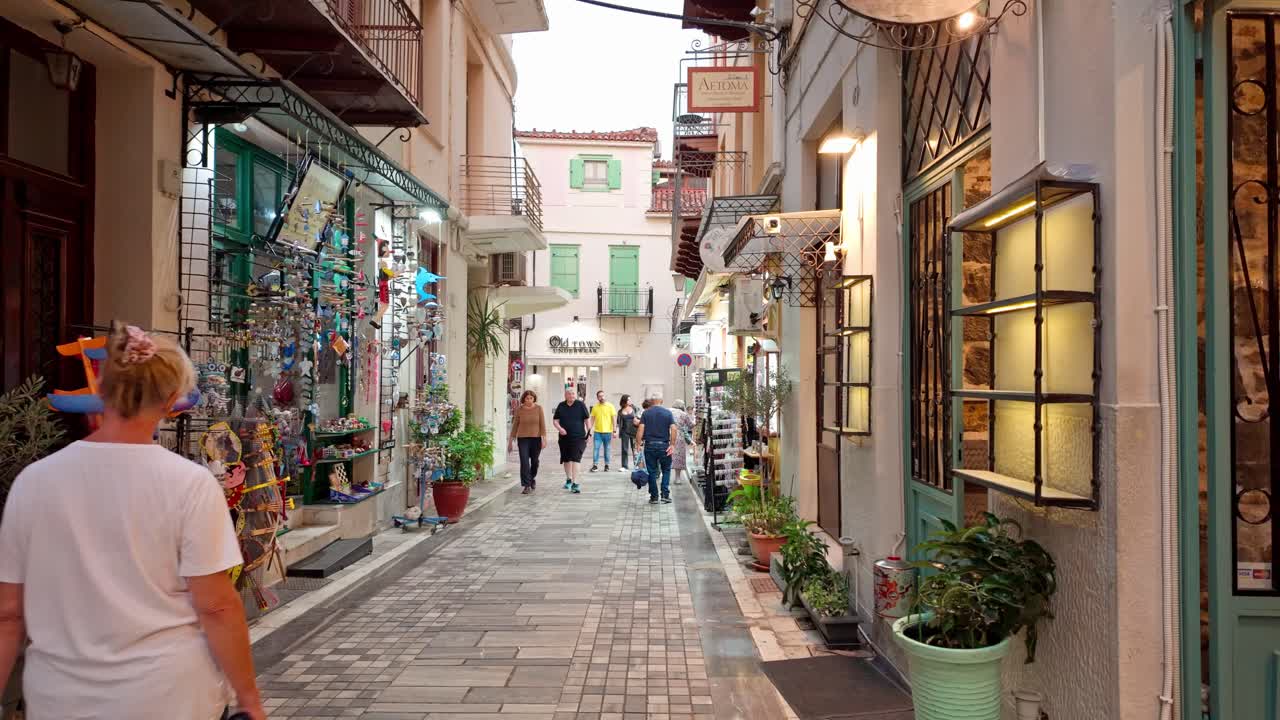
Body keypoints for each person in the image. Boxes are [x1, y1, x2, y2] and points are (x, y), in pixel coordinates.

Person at [0, 323, 265, 720]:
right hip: (168, 693)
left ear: (100, 389)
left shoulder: (34, 482)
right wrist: (249, 697)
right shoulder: (190, 484)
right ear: (172, 399)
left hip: (62, 696)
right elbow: (216, 607)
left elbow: (9, 612)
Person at [637, 393, 678, 505]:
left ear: (651, 401)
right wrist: (672, 444)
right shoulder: (667, 413)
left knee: (651, 471)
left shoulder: (646, 413)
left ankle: (654, 497)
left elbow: (640, 429)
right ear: (662, 401)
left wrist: (638, 444)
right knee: (666, 469)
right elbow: (674, 429)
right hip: (664, 445)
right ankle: (665, 495)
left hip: (649, 445)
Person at [552, 387, 591, 494]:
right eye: (569, 394)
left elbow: (587, 419)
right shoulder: (561, 405)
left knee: (576, 458)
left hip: (578, 437)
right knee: (566, 459)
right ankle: (569, 479)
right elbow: (555, 420)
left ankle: (575, 483)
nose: (571, 396)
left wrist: (589, 433)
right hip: (564, 438)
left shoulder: (580, 405)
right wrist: (560, 429)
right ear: (565, 395)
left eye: (573, 394)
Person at [508, 390, 547, 494]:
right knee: (524, 462)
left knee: (535, 462)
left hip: (536, 438)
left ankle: (532, 478)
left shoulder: (539, 408)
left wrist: (544, 439)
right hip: (523, 439)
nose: (529, 400)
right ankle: (526, 485)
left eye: (531, 398)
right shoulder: (519, 410)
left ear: (534, 399)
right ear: (523, 399)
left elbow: (542, 425)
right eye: (527, 398)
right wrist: (510, 441)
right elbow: (515, 426)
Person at [669, 399, 696, 485]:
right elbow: (690, 425)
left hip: (667, 434)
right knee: (678, 457)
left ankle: (665, 475)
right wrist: (696, 421)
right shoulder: (684, 414)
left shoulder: (668, 411)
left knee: (666, 455)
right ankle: (677, 478)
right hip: (679, 435)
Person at [589, 390, 617, 472]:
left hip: (608, 432)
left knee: (607, 449)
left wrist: (614, 431)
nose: (602, 397)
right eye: (600, 396)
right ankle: (595, 465)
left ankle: (607, 465)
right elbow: (592, 420)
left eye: (603, 396)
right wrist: (589, 430)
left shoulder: (610, 406)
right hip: (597, 432)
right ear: (597, 398)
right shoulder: (595, 407)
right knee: (596, 449)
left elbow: (614, 419)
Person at [617, 394, 638, 472]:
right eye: (628, 400)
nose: (630, 401)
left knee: (635, 449)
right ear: (624, 401)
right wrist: (616, 431)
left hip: (634, 431)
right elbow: (618, 423)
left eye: (630, 399)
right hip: (624, 431)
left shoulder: (635, 408)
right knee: (624, 449)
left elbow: (639, 417)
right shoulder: (620, 411)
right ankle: (624, 466)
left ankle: (637, 465)